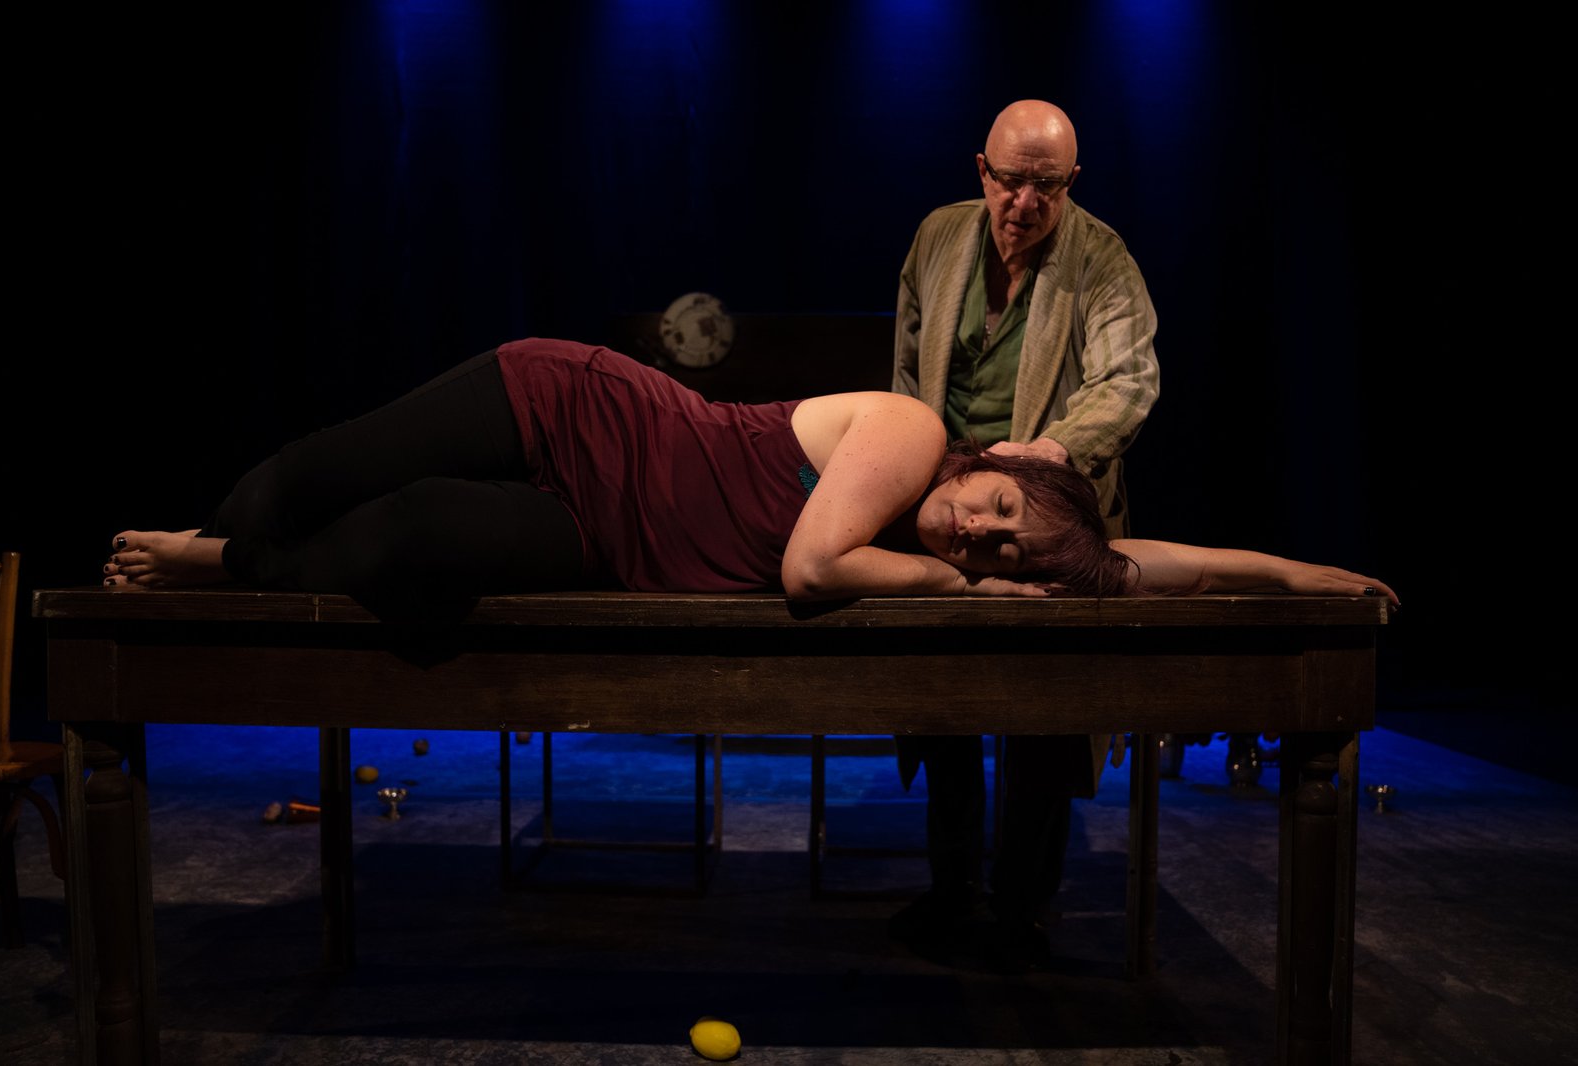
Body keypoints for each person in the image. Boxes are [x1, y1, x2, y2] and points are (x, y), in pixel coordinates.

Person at [103, 340, 1394, 632]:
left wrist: (1307, 574)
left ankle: (217, 567)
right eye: (998, 508)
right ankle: (218, 541)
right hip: (578, 409)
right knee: (284, 489)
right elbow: (810, 568)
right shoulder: (913, 432)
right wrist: (960, 584)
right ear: (993, 465)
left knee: (402, 545)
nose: (978, 535)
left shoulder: (958, 547)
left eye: (998, 550)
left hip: (605, 538)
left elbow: (1133, 564)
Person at [888, 98, 1161, 971]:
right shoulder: (939, 237)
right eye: (1010, 181)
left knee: (1044, 712)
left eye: (1047, 186)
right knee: (943, 707)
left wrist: (1054, 450)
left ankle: (1022, 906)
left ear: (1071, 182)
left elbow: (1127, 381)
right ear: (983, 170)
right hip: (949, 514)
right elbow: (906, 374)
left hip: (1042, 520)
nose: (1025, 203)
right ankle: (951, 889)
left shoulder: (1102, 259)